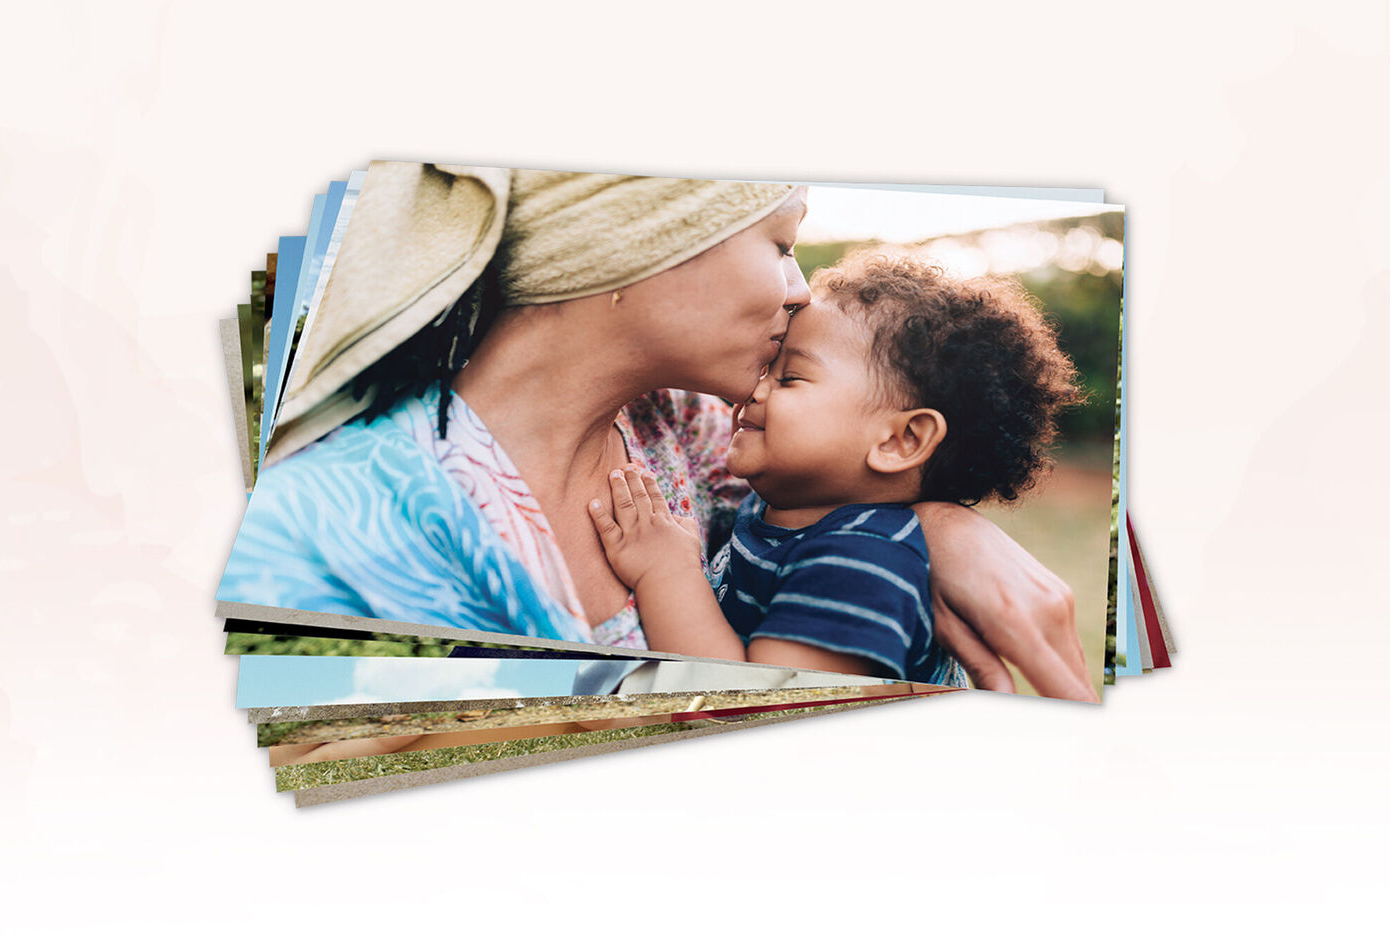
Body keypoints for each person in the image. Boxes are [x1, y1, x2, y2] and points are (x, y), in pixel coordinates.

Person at [219, 162, 1096, 701]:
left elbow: (846, 489)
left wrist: (937, 521)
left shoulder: (683, 430)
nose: (798, 290)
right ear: (635, 246)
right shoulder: (333, 542)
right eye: (780, 243)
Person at [589, 252, 1086, 687]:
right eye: (767, 372)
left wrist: (667, 572)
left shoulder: (861, 563)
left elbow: (755, 707)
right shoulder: (785, 506)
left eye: (791, 378)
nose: (754, 392)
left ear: (900, 440)